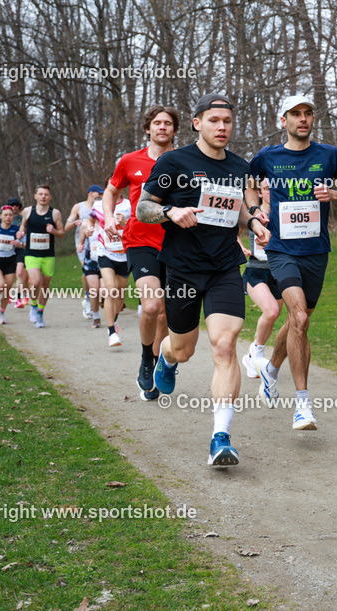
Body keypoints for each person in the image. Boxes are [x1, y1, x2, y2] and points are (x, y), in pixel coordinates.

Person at [138, 93, 268, 467]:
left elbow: (239, 210)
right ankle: (166, 357)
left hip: (225, 267)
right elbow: (143, 207)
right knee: (183, 348)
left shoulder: (238, 166)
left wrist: (255, 223)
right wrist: (170, 211)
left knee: (225, 345)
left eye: (227, 121)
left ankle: (221, 437)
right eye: (214, 120)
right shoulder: (173, 161)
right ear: (197, 123)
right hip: (181, 269)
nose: (222, 127)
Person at [246, 95, 337, 431]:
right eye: (295, 114)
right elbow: (249, 189)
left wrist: (334, 195)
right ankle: (303, 406)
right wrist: (255, 212)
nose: (302, 119)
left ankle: (270, 368)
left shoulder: (331, 155)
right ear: (283, 120)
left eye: (308, 113)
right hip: (281, 250)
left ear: (313, 119)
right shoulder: (267, 157)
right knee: (296, 315)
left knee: (300, 322)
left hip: (317, 251)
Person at [104, 106, 179, 399]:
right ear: (148, 129)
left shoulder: (184, 161)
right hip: (140, 241)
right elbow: (111, 191)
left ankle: (161, 364)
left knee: (164, 316)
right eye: (157, 123)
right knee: (150, 307)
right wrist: (109, 217)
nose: (162, 127)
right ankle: (147, 358)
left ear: (174, 130)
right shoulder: (129, 161)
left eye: (168, 123)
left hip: (176, 245)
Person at [240, 178, 283, 379]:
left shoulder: (284, 212)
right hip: (256, 270)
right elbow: (232, 231)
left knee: (272, 317)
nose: (271, 192)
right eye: (267, 189)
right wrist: (239, 246)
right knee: (271, 311)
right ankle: (257, 352)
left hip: (279, 272)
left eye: (275, 188)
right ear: (259, 192)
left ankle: (252, 352)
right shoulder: (251, 214)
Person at [16, 186, 64, 327]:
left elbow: (61, 233)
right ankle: (34, 306)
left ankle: (41, 314)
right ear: (35, 196)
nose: (43, 196)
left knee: (45, 285)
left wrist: (54, 231)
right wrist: (20, 233)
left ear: (50, 197)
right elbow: (22, 226)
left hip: (48, 255)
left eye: (46, 195)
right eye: (40, 194)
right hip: (31, 254)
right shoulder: (27, 211)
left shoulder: (55, 213)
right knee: (35, 282)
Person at [93, 196, 132, 347]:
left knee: (120, 293)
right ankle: (111, 332)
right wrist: (91, 228)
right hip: (106, 253)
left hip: (124, 255)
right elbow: (92, 220)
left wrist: (125, 222)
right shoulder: (98, 204)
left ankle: (113, 321)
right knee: (111, 290)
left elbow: (138, 226)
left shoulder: (129, 204)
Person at [66, 185, 104, 318]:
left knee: (95, 273)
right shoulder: (79, 207)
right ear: (91, 193)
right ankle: (88, 299)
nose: (101, 195)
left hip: (98, 242)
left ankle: (94, 296)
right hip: (83, 244)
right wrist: (76, 223)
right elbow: (66, 227)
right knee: (86, 268)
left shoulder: (100, 206)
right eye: (99, 193)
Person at [77, 214, 103, 328]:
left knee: (104, 291)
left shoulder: (108, 222)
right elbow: (81, 242)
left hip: (105, 260)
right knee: (94, 290)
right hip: (90, 261)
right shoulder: (85, 226)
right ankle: (96, 317)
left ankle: (105, 305)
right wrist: (80, 246)